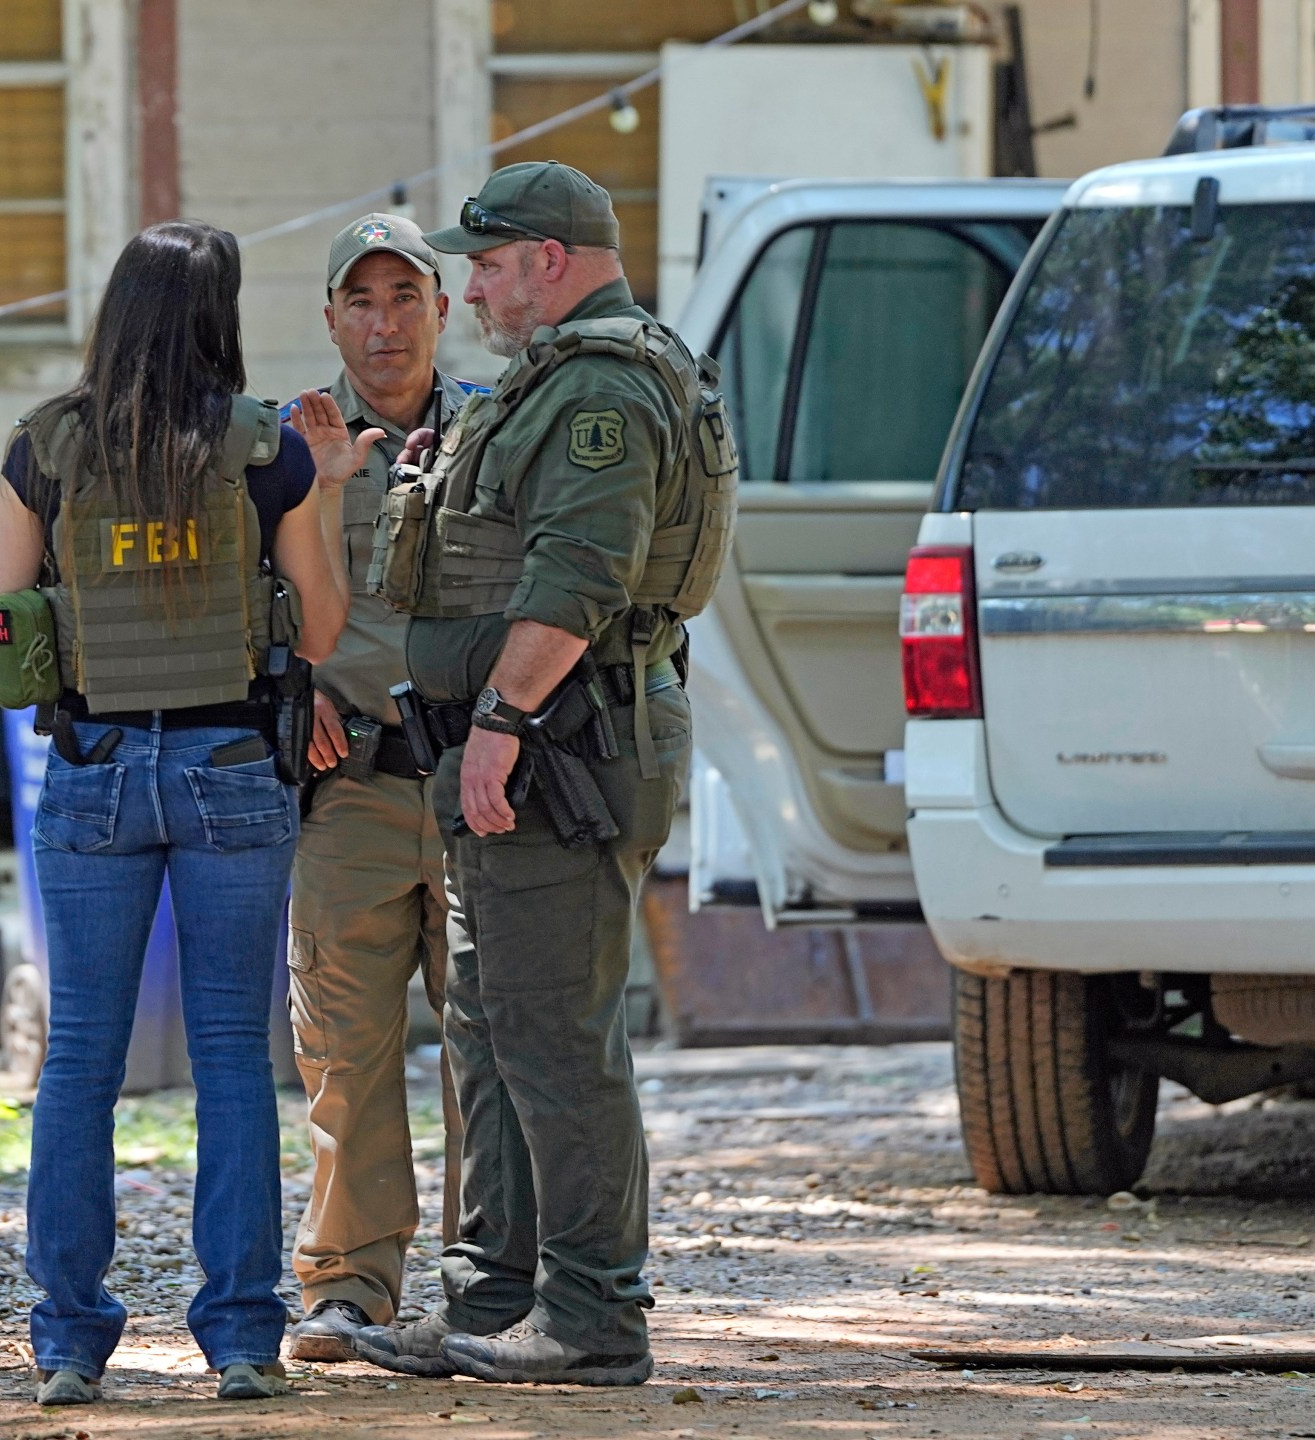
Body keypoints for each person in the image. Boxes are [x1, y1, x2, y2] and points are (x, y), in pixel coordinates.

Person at [0, 219, 372, 1406]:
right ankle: (243, 1339)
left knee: (80, 1061)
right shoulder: (266, 456)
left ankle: (66, 1342)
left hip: (91, 769)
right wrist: (330, 495)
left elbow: (1, 630)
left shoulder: (41, 447)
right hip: (232, 767)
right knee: (233, 1064)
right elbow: (318, 632)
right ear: (220, 315)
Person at [349, 162, 725, 1387]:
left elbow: (577, 577)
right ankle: (494, 1297)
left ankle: (594, 1315)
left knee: (554, 1036)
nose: (470, 290)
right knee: (495, 1028)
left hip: (560, 743)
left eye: (489, 264)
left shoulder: (601, 388)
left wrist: (502, 722)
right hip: (530, 740)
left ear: (552, 260)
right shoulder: (559, 379)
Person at [280, 214, 483, 1362]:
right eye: (360, 299)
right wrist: (282, 684)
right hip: (344, 781)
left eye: (405, 296)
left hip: (474, 778)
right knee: (344, 1051)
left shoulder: (494, 436)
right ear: (331, 320)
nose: (383, 320)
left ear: (442, 311)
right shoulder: (285, 443)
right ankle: (350, 1285)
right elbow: (246, 594)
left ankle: (484, 1278)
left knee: (487, 1042)